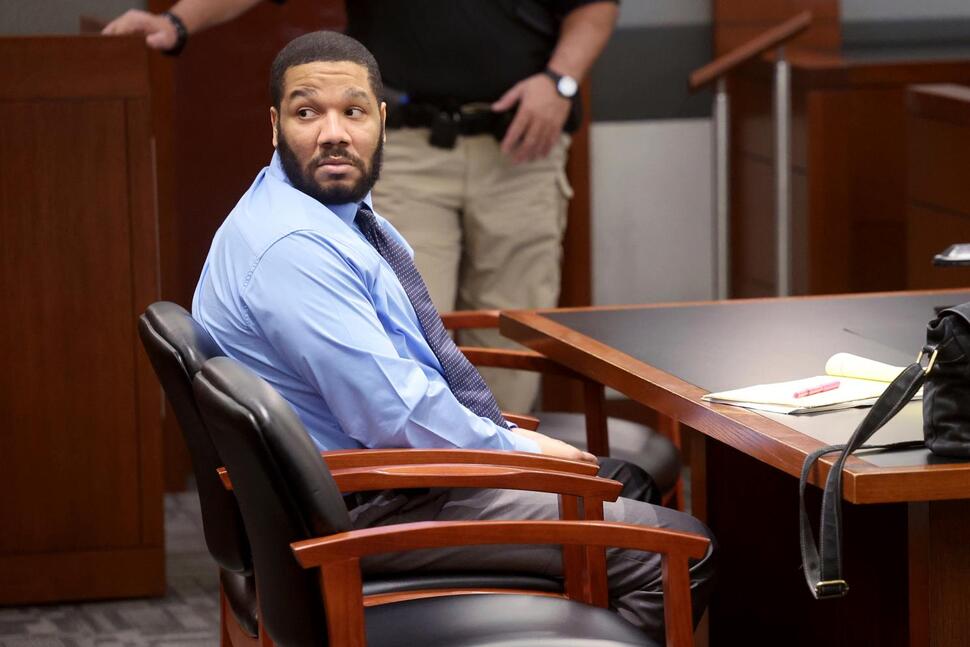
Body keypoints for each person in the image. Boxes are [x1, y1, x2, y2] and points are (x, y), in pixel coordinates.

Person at [189, 30, 714, 641]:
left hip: (361, 484)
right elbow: (393, 415)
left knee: (624, 481)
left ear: (381, 122)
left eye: (353, 112)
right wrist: (512, 449)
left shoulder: (322, 216)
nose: (334, 133)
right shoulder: (294, 248)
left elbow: (395, 386)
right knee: (680, 552)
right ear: (275, 126)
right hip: (370, 507)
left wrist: (503, 441)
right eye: (308, 113)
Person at [104, 0, 619, 413]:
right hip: (408, 148)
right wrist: (175, 23)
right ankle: (432, 491)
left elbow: (595, 5)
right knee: (404, 331)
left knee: (513, 333)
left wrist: (561, 81)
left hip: (523, 150)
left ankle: (505, 480)